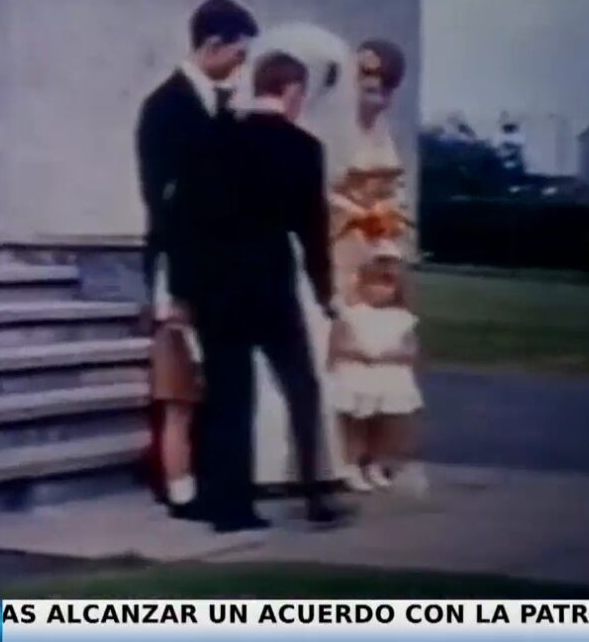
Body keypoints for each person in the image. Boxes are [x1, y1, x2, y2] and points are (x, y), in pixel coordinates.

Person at [177, 51, 350, 532]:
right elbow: (312, 230)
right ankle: (314, 493)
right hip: (270, 281)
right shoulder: (303, 148)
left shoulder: (215, 135)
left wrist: (184, 288)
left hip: (217, 283)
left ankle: (227, 503)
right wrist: (324, 291)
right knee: (301, 386)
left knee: (230, 394)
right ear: (292, 90)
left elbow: (186, 216)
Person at [135, 0, 257, 518]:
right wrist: (178, 280)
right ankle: (178, 486)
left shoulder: (223, 108)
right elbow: (163, 198)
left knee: (216, 384)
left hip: (219, 268)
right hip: (182, 264)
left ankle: (212, 485)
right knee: (180, 385)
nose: (241, 66)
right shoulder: (166, 106)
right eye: (238, 54)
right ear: (212, 45)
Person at [328, 246, 424, 493]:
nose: (380, 290)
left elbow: (411, 351)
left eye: (387, 285)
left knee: (383, 426)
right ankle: (351, 465)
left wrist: (390, 356)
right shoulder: (352, 315)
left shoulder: (402, 318)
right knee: (356, 425)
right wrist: (360, 353)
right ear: (361, 284)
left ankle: (374, 463)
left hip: (388, 377)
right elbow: (337, 346)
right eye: (373, 284)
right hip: (358, 375)